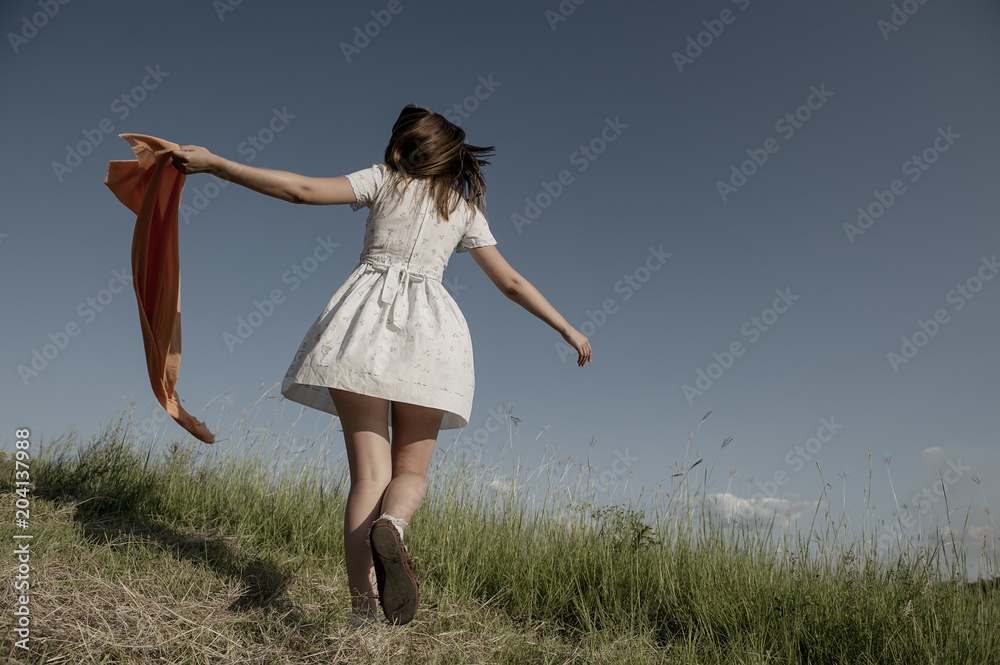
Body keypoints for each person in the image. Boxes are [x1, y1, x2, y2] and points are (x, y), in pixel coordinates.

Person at [170, 103, 592, 627]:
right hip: (434, 338)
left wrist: (217, 164)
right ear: (451, 154)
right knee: (411, 473)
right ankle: (393, 523)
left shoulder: (382, 181)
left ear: (403, 147)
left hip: (361, 327)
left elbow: (298, 189)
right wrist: (566, 327)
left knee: (369, 476)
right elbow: (510, 282)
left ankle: (362, 616)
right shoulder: (463, 210)